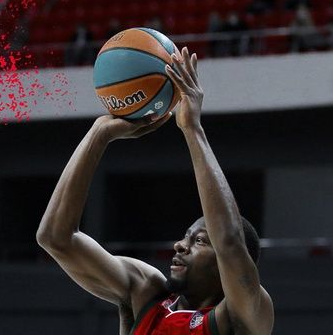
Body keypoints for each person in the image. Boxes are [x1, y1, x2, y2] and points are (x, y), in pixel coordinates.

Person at [37, 47, 274, 334]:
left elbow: (229, 240)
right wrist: (99, 134)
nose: (180, 245)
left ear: (231, 267)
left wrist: (192, 129)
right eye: (187, 236)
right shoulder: (146, 292)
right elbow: (55, 237)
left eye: (200, 241)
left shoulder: (244, 315)